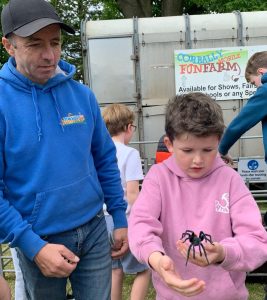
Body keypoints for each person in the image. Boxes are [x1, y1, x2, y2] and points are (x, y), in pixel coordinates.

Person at [0, 0, 128, 299]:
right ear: (9, 46)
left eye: (55, 42)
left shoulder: (82, 96)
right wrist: (33, 246)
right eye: (35, 44)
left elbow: (105, 160)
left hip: (95, 228)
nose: (49, 55)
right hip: (38, 237)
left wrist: (119, 217)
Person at [128, 92, 267, 300]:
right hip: (172, 295)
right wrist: (156, 259)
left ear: (219, 142)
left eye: (208, 150)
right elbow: (140, 226)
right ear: (169, 144)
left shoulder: (230, 180)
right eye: (187, 150)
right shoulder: (157, 178)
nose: (198, 160)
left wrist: (223, 253)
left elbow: (257, 241)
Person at [102, 103, 151, 300]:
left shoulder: (99, 152)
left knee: (114, 270)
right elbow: (132, 194)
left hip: (102, 220)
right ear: (129, 127)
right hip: (124, 220)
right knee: (144, 268)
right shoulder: (130, 154)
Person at [219, 51, 267, 163]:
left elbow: (240, 124)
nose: (256, 88)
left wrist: (222, 149)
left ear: (261, 72)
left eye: (253, 83)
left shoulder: (265, 91)